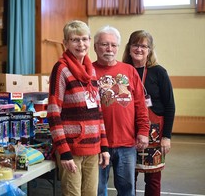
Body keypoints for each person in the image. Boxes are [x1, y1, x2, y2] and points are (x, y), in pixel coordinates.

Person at [47, 20, 110, 196]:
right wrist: (64, 152)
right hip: (72, 149)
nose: (80, 44)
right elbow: (53, 113)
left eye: (84, 39)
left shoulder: (91, 71)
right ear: (65, 43)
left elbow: (98, 113)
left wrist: (104, 146)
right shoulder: (61, 69)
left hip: (93, 147)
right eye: (75, 40)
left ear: (90, 41)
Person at [92, 25, 150, 196]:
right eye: (104, 44)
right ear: (95, 46)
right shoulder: (88, 71)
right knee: (98, 189)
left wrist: (143, 131)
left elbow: (140, 105)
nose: (109, 48)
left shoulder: (129, 71)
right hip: (97, 144)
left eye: (113, 45)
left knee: (126, 190)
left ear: (118, 47)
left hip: (126, 143)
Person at [122, 30, 175, 196]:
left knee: (153, 180)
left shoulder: (159, 72)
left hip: (155, 134)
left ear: (150, 50)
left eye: (144, 46)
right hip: (129, 132)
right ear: (129, 48)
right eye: (136, 45)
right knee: (128, 178)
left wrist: (166, 137)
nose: (139, 49)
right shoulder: (122, 71)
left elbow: (170, 106)